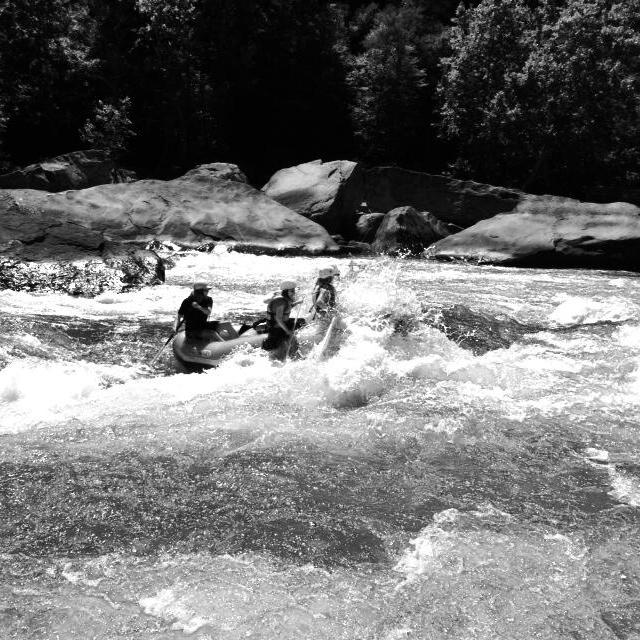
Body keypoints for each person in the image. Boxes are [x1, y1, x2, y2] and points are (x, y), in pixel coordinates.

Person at [262, 280, 303, 360]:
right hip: (276, 329)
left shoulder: (284, 300)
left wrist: (298, 302)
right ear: (286, 291)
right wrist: (287, 331)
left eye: (294, 291)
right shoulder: (280, 302)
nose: (294, 293)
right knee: (289, 341)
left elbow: (286, 309)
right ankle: (294, 358)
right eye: (292, 291)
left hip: (279, 327)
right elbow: (278, 319)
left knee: (293, 340)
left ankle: (296, 357)